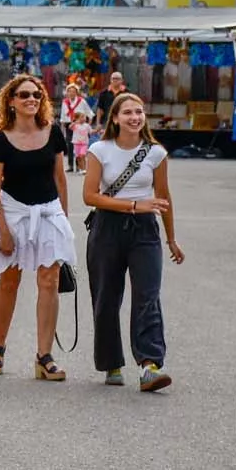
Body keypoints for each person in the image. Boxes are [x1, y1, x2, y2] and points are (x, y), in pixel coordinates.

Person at [83, 93, 184, 392]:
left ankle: (150, 365)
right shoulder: (99, 150)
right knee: (106, 297)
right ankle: (111, 361)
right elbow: (89, 196)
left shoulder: (155, 153)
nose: (134, 117)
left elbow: (163, 197)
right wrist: (133, 205)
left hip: (145, 231)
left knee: (148, 295)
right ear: (114, 118)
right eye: (127, 112)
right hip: (107, 227)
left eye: (139, 112)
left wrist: (171, 239)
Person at [0, 74, 77, 382]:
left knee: (49, 280)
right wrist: (3, 231)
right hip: (13, 212)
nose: (31, 99)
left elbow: (60, 179)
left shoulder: (54, 132)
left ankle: (44, 356)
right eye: (23, 95)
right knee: (9, 281)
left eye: (36, 95)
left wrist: (63, 221)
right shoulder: (0, 138)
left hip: (49, 212)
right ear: (11, 101)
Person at [59, 81, 92, 173]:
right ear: (67, 93)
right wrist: (63, 130)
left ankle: (79, 166)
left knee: (80, 147)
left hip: (80, 126)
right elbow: (62, 116)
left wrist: (87, 125)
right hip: (69, 125)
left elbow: (90, 113)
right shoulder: (65, 102)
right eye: (69, 91)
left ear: (76, 92)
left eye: (73, 91)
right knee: (70, 145)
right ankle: (70, 165)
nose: (71, 93)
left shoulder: (82, 101)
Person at [93, 70, 128, 138]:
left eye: (117, 78)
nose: (115, 80)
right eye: (113, 78)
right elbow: (100, 109)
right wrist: (98, 123)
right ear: (110, 80)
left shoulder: (127, 92)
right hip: (107, 122)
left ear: (122, 80)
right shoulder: (104, 93)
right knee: (107, 141)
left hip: (122, 122)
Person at [70, 110, 92, 174]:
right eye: (82, 117)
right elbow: (70, 127)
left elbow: (91, 131)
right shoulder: (75, 125)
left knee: (82, 155)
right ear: (77, 118)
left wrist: (98, 130)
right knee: (78, 157)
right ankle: (81, 169)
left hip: (84, 143)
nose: (84, 118)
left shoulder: (87, 125)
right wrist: (75, 122)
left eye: (84, 117)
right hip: (76, 143)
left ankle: (84, 169)